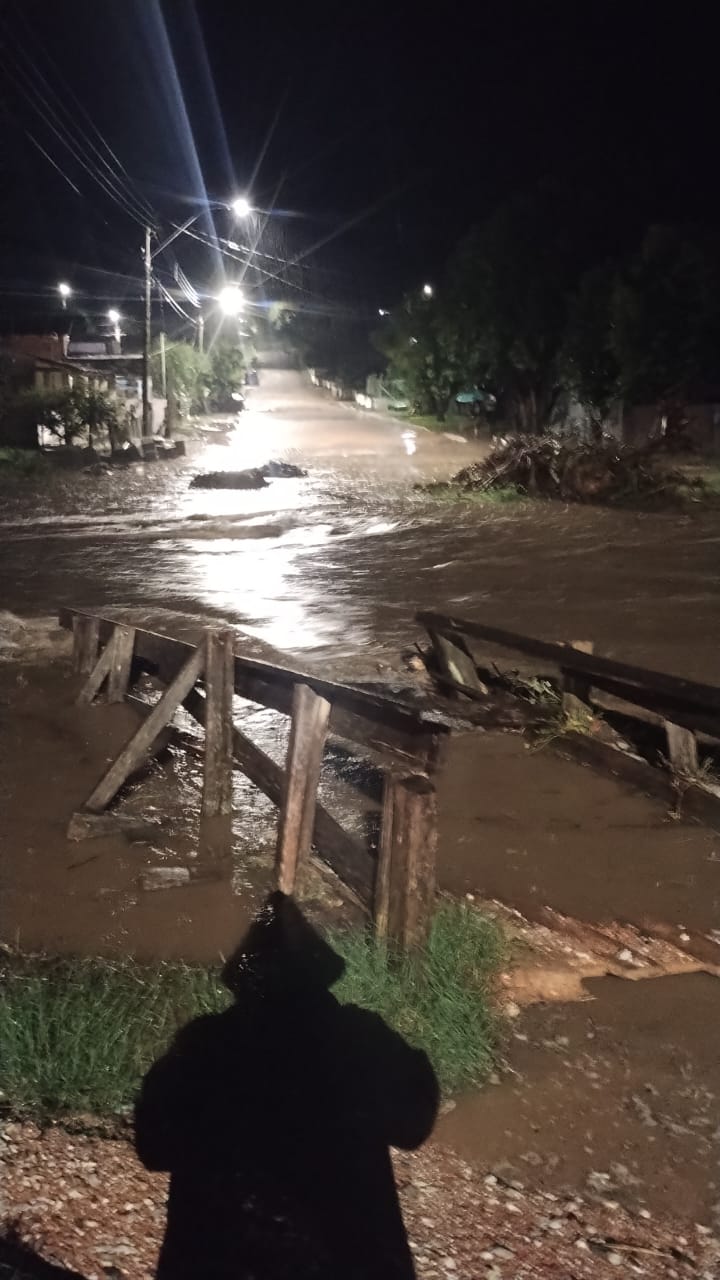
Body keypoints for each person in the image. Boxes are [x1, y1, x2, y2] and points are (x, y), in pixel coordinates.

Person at [135, 892, 439, 1279]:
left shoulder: (204, 1044)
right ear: (321, 976)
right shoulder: (360, 1038)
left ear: (243, 981)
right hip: (343, 1263)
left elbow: (154, 1146)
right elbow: (414, 1124)